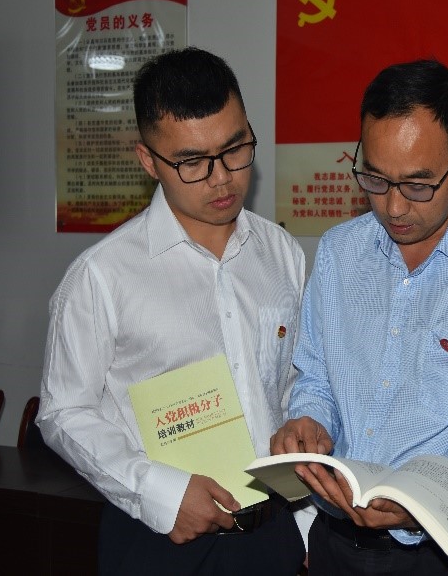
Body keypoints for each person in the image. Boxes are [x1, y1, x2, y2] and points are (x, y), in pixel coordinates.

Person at [270, 59, 448, 575]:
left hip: (443, 554)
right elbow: (317, 377)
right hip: (336, 542)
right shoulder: (339, 252)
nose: (394, 207)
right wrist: (309, 420)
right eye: (375, 180)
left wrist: (421, 501)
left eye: (418, 185)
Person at [38, 47, 307, 575]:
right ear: (148, 161)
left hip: (273, 530)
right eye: (191, 162)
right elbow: (63, 412)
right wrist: (159, 492)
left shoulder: (281, 253)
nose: (221, 178)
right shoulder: (102, 275)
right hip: (161, 537)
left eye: (235, 149)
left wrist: (305, 520)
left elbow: (289, 385)